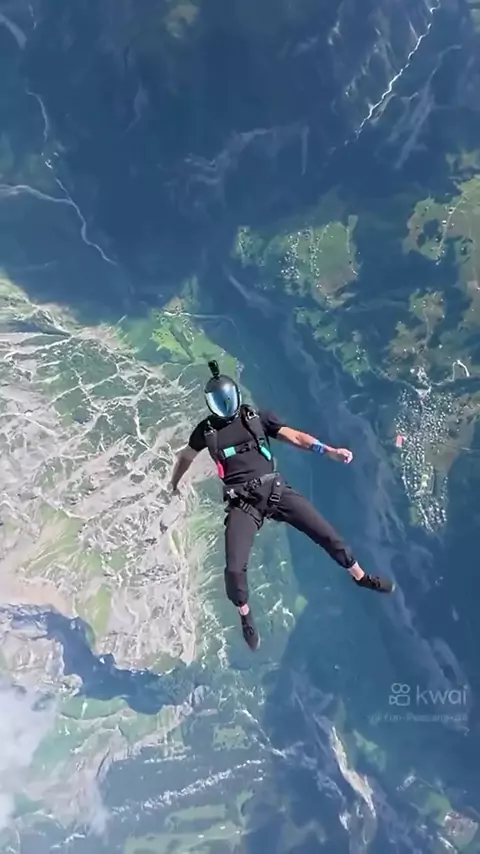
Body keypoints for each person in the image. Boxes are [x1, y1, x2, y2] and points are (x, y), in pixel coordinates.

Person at [169, 361, 394, 651]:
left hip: (276, 491)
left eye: (227, 400)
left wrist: (330, 451)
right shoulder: (206, 431)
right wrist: (174, 483)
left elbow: (296, 437)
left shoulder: (255, 417)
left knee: (330, 537)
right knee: (234, 570)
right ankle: (246, 616)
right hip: (244, 504)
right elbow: (185, 457)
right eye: (220, 403)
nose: (225, 407)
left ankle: (362, 578)